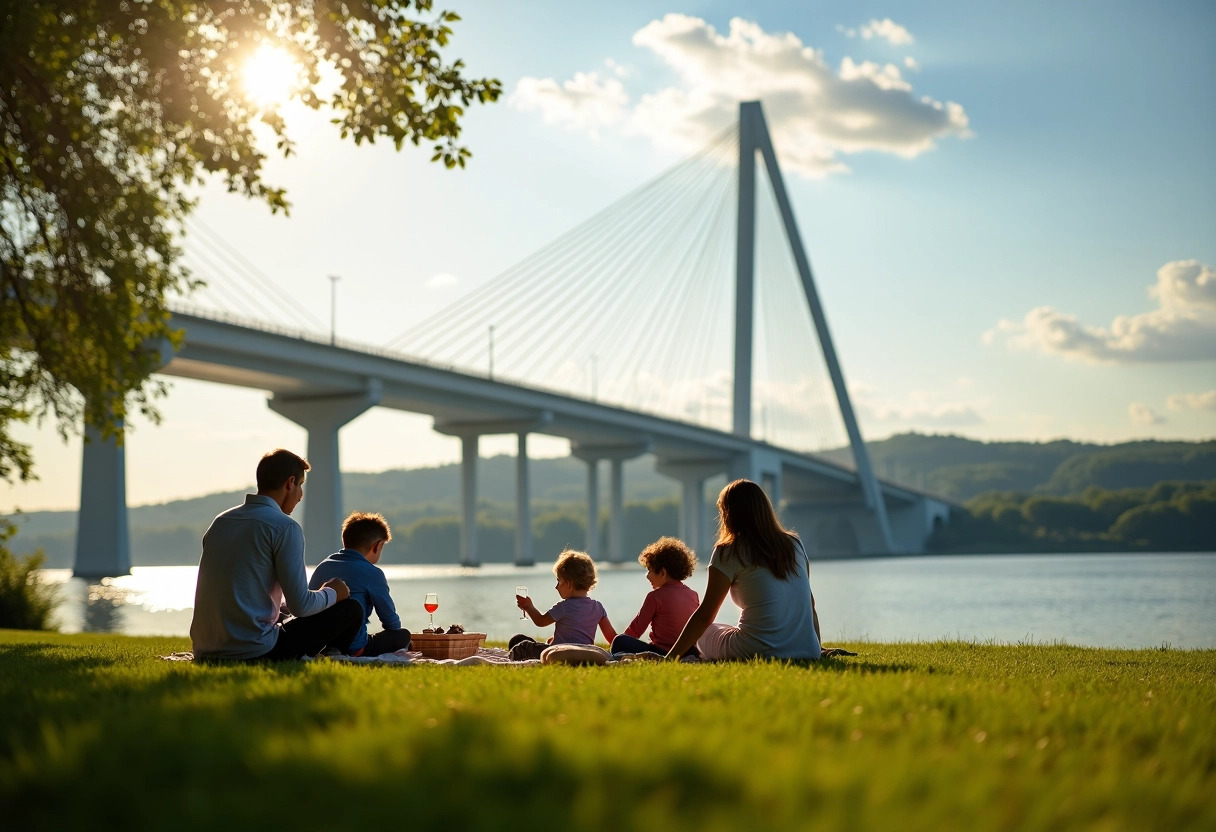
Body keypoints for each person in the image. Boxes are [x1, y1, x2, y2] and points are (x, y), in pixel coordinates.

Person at [190, 449, 363, 661]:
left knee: (284, 613)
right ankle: (333, 656)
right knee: (351, 608)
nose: (300, 495)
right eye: (300, 485)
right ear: (290, 483)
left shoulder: (221, 522)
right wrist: (333, 592)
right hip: (256, 651)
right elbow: (302, 606)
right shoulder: (285, 527)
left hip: (205, 650)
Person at [665, 479, 822, 662]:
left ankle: (692, 659)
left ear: (729, 513)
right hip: (808, 650)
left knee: (705, 632)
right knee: (723, 628)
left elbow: (705, 615)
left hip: (757, 651)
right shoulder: (795, 543)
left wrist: (669, 658)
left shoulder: (728, 551)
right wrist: (817, 647)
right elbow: (809, 603)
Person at [308, 511, 412, 657]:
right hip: (353, 647)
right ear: (377, 546)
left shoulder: (323, 566)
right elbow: (390, 621)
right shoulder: (372, 573)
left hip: (318, 642)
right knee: (403, 636)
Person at [510, 550, 617, 661]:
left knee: (521, 644)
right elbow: (612, 637)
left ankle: (511, 656)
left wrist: (529, 607)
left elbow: (541, 621)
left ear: (569, 583)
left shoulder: (564, 607)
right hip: (585, 651)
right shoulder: (598, 607)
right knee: (523, 640)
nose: (556, 587)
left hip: (559, 651)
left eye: (559, 581)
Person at [610, 536, 700, 657]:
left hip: (660, 652)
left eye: (650, 570)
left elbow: (635, 630)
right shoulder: (693, 595)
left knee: (620, 641)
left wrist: (625, 642)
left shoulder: (654, 597)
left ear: (662, 572)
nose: (647, 576)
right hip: (686, 652)